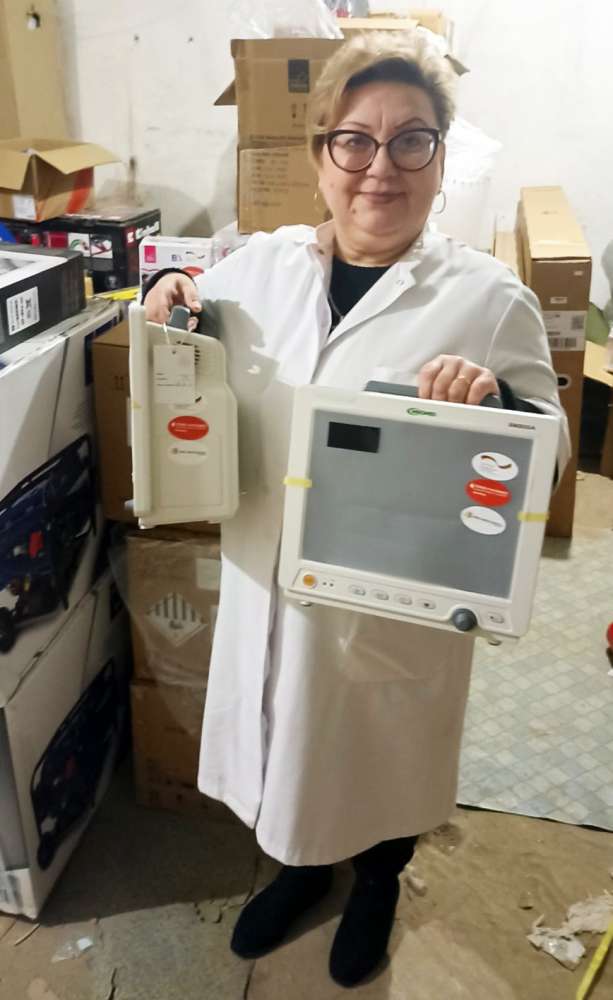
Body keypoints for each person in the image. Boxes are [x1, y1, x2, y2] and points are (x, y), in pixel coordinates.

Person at [144, 31, 570, 989]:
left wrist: (496, 408)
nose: (381, 168)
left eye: (411, 140)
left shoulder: (487, 298)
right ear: (319, 156)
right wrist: (166, 289)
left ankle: (376, 881)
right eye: (355, 140)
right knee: (288, 749)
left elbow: (548, 457)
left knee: (381, 754)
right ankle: (300, 870)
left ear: (440, 159)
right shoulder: (258, 267)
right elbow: (183, 309)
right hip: (268, 576)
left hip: (391, 602)